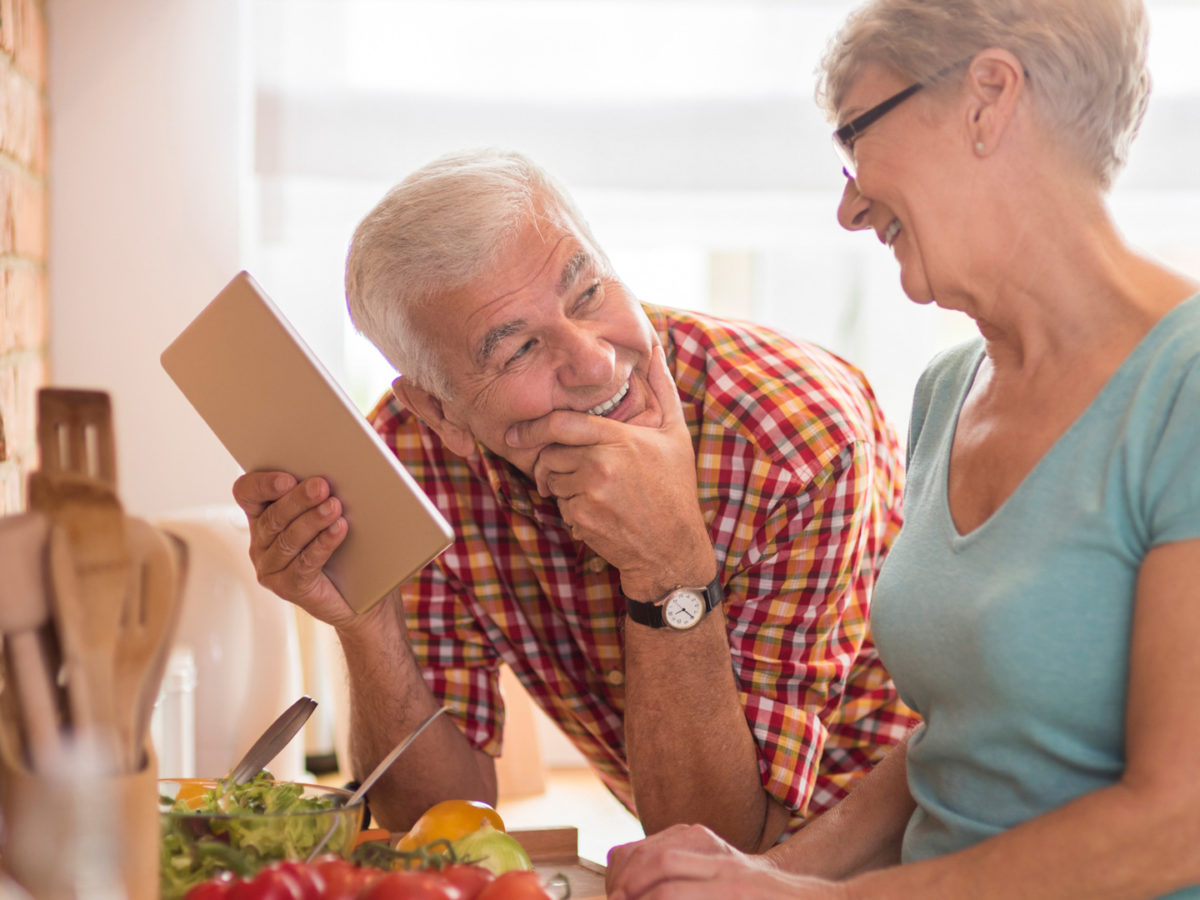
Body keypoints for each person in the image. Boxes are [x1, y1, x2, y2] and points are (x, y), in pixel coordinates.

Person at [604, 0, 1200, 897]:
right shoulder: (946, 389)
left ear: (987, 99)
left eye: (855, 137)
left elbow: (1175, 824)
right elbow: (957, 743)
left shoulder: (1183, 386)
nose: (847, 207)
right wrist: (765, 874)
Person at [232, 148, 917, 851]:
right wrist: (367, 620)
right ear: (440, 413)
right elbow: (437, 828)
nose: (594, 362)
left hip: (912, 849)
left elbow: (726, 843)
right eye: (518, 348)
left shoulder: (798, 439)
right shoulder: (413, 455)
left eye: (587, 293)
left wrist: (670, 564)